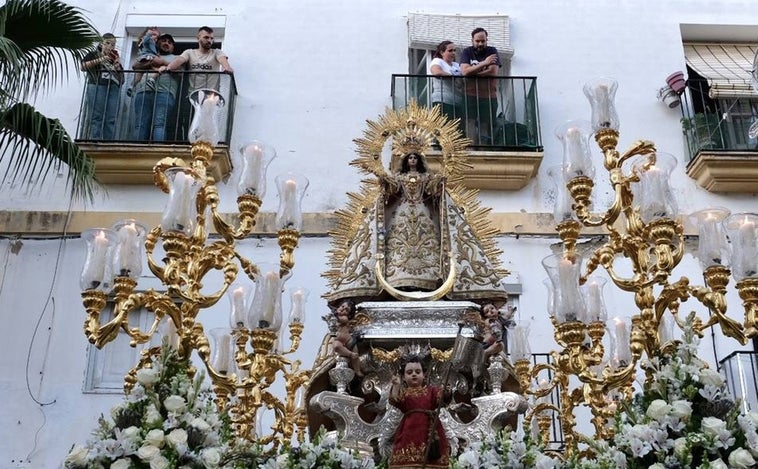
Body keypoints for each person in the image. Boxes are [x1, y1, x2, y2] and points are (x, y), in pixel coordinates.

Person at [383, 152, 444, 291]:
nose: (412, 160)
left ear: (419, 160)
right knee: (399, 239)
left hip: (421, 211)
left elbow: (431, 192)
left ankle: (429, 278)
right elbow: (392, 190)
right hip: (402, 211)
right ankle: (399, 277)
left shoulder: (425, 176)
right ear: (406, 161)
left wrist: (439, 182)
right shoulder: (400, 176)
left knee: (426, 240)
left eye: (415, 158)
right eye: (410, 158)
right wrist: (385, 180)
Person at [158, 26, 234, 139]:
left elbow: (223, 60)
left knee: (205, 127)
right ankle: (189, 146)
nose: (209, 41)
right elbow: (179, 61)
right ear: (198, 38)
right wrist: (168, 67)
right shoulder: (190, 52)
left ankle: (202, 146)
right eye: (206, 37)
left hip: (209, 99)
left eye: (212, 38)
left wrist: (227, 67)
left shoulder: (216, 52)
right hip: (193, 97)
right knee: (188, 124)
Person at [388, 356, 450, 468]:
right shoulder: (404, 393)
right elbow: (394, 400)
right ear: (404, 377)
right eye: (409, 372)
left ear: (424, 374)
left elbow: (442, 397)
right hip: (408, 430)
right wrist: (396, 386)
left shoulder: (431, 391)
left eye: (418, 371)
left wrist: (446, 392)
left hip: (429, 429)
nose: (414, 374)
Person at [131, 33, 180, 141]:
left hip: (165, 92)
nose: (166, 43)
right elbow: (135, 66)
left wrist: (163, 62)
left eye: (170, 42)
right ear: (157, 43)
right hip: (143, 90)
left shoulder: (176, 58)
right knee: (140, 124)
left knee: (159, 123)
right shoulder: (148, 54)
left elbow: (180, 71)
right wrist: (153, 62)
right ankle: (137, 153)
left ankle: (158, 154)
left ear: (173, 47)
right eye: (164, 41)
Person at [460, 27, 501, 145]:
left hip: (489, 95)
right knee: (470, 122)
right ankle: (471, 147)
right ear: (472, 40)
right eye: (477, 41)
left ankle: (483, 148)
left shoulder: (492, 51)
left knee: (485, 123)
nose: (480, 43)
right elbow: (465, 72)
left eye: (483, 41)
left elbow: (493, 72)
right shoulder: (467, 52)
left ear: (486, 40)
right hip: (470, 94)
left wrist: (473, 72)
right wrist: (484, 63)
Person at [80, 33, 124, 140]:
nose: (110, 46)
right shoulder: (94, 54)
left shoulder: (114, 59)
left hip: (113, 88)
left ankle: (108, 142)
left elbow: (122, 80)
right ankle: (96, 140)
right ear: (101, 44)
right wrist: (101, 59)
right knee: (97, 116)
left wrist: (117, 66)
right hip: (97, 85)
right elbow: (83, 66)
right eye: (107, 43)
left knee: (111, 118)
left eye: (113, 45)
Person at [430, 40, 464, 133]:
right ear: (442, 52)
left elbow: (463, 82)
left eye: (454, 50)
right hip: (442, 100)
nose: (453, 53)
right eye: (450, 51)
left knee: (457, 131)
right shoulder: (437, 61)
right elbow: (436, 72)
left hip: (457, 102)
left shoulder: (457, 65)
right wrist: (454, 78)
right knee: (443, 130)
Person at [330, 299, 362, 375]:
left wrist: (336, 314)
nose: (343, 309)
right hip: (338, 340)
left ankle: (357, 370)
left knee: (356, 357)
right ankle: (350, 354)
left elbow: (340, 319)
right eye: (342, 306)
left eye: (346, 310)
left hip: (348, 340)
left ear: (349, 315)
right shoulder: (333, 319)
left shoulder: (344, 318)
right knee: (336, 346)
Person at [127, 26, 161, 96]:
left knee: (139, 74)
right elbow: (145, 40)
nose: (155, 38)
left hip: (142, 59)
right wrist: (148, 34)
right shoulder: (147, 39)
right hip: (148, 57)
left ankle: (132, 86)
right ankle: (151, 80)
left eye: (157, 37)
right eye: (154, 35)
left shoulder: (146, 42)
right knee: (159, 69)